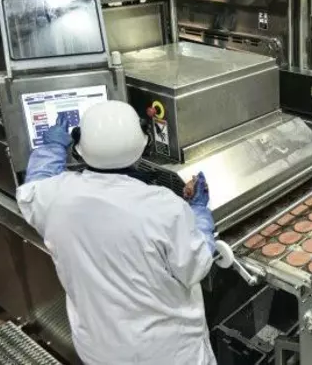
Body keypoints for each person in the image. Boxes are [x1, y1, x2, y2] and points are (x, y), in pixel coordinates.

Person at [16, 100, 217, 364]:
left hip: (100, 350)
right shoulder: (164, 207)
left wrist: (52, 147)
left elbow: (31, 190)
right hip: (167, 352)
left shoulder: (56, 197)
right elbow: (196, 265)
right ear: (142, 145)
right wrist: (200, 213)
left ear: (78, 147)